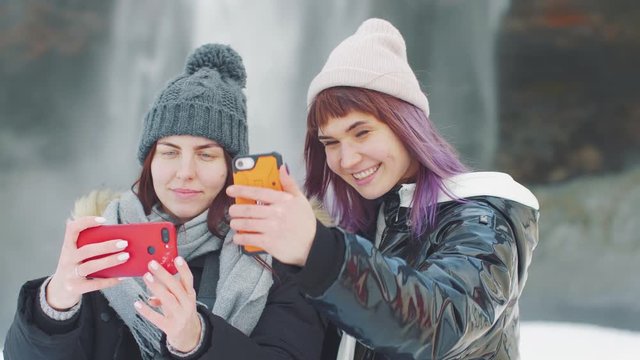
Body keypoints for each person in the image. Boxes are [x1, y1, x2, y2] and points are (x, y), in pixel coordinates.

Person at [226, 18, 539, 359]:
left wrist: (317, 250)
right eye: (330, 142)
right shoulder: (367, 225)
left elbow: (442, 323)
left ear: (407, 126)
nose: (346, 159)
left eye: (362, 133)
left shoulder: (481, 217)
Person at [4, 43, 326, 360]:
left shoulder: (278, 257)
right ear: (150, 162)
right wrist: (55, 303)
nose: (185, 172)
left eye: (206, 154)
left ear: (231, 168)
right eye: (170, 152)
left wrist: (197, 340)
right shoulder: (106, 242)